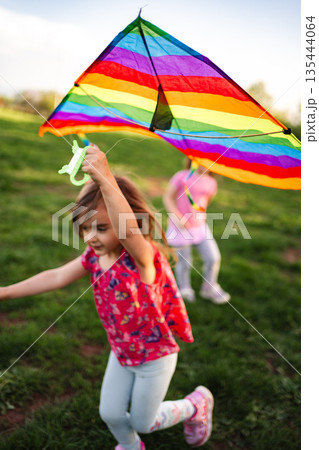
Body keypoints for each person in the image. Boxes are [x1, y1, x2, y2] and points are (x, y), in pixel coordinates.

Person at [0, 145, 214, 450]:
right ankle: (130, 447)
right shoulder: (93, 258)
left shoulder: (141, 259)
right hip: (122, 350)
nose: (90, 237)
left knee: (143, 422)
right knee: (110, 413)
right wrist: (5, 292)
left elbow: (127, 231)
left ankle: (195, 405)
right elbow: (57, 276)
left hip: (156, 356)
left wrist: (105, 177)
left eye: (101, 227)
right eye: (85, 227)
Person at [163, 160, 230, 304]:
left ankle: (209, 287)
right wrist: (177, 217)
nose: (205, 164)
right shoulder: (182, 176)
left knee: (213, 258)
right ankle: (185, 288)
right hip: (180, 228)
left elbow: (206, 201)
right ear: (193, 160)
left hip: (200, 227)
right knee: (184, 263)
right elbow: (167, 197)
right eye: (201, 160)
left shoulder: (212, 183)